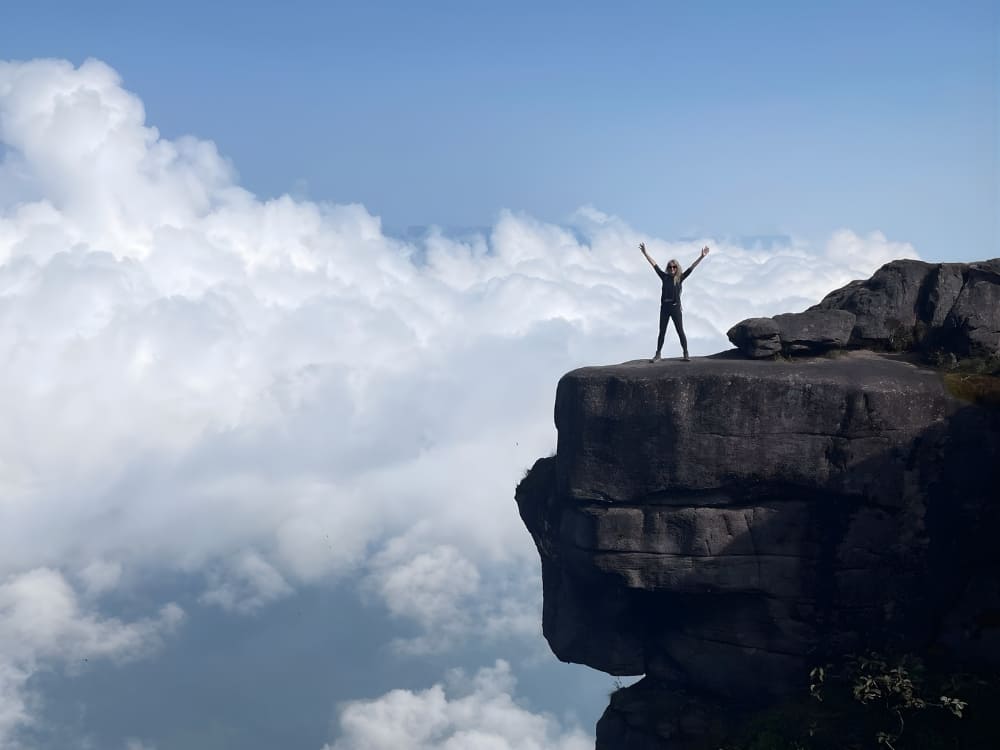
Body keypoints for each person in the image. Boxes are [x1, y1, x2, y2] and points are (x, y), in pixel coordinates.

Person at [640, 242, 710, 362]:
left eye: (674, 267)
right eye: (670, 267)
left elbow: (692, 267)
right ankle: (658, 355)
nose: (672, 269)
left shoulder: (680, 278)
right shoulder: (664, 277)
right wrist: (645, 253)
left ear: (677, 268)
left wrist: (702, 257)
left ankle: (686, 353)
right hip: (665, 308)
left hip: (675, 308)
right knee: (662, 331)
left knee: (680, 331)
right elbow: (654, 265)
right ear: (668, 268)